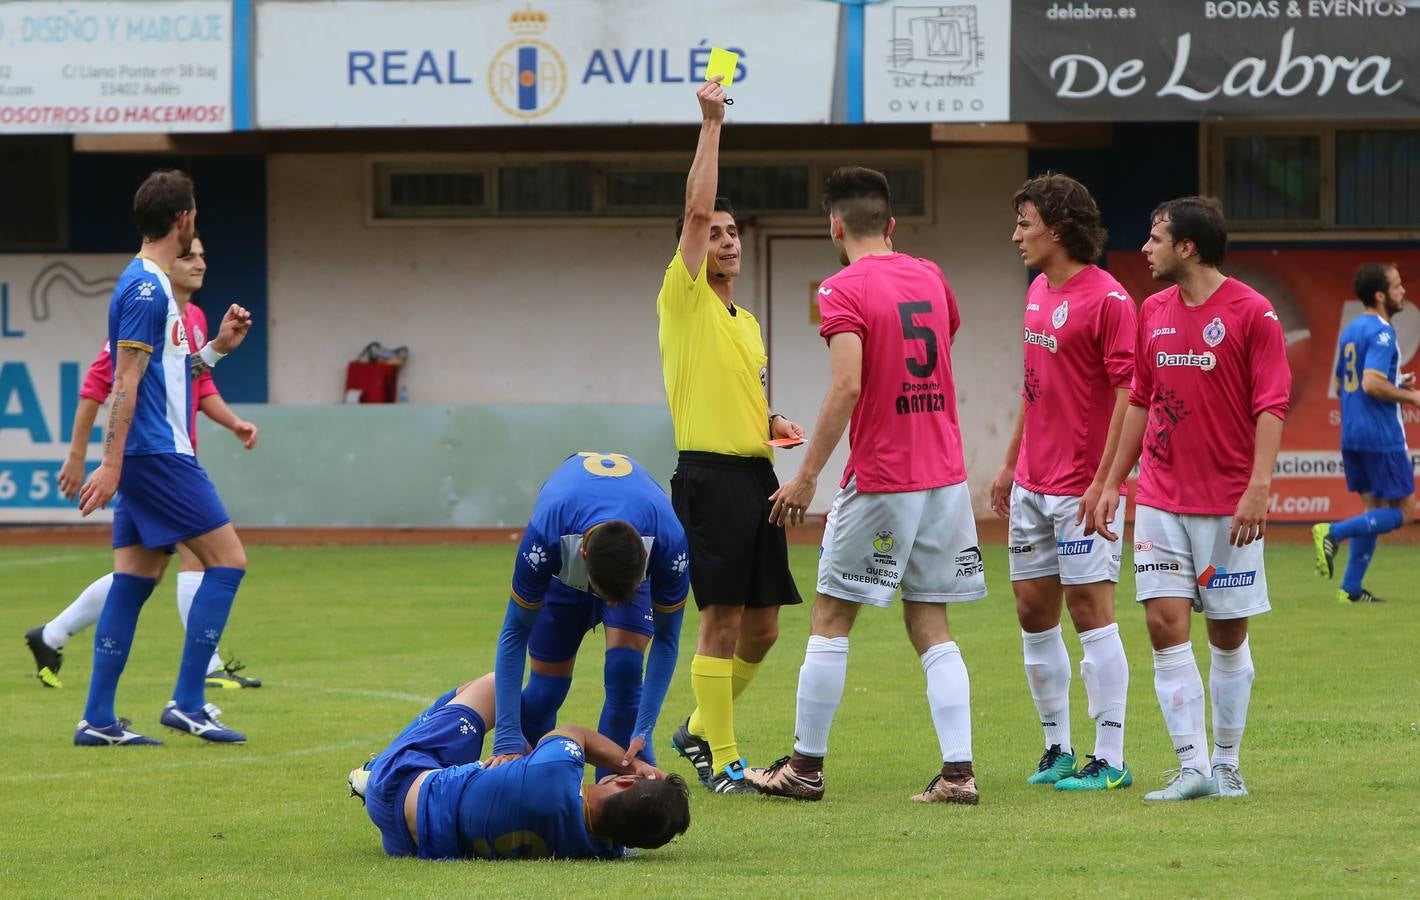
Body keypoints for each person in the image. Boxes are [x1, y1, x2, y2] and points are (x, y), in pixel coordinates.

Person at [745, 166, 987, 805]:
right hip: (945, 476)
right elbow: (943, 338)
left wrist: (806, 476)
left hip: (883, 477)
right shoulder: (930, 275)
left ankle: (804, 769)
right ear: (892, 224)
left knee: (831, 618)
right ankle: (958, 775)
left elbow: (848, 383)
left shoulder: (842, 288)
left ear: (835, 226)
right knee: (930, 621)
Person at [1092, 197, 1290, 801]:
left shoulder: (1253, 313)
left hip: (1227, 503)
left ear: (1187, 248)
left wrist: (1258, 486)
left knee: (1227, 634)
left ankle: (1227, 762)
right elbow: (1140, 400)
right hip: (1160, 496)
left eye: (1155, 239)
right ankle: (1193, 766)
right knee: (1163, 622)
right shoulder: (1152, 311)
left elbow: (1271, 404)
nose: (1145, 249)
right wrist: (1112, 481)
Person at [25, 235, 262, 691]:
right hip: (154, 458)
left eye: (203, 255)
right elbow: (106, 384)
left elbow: (188, 379)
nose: (199, 263)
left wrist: (230, 413)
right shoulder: (146, 303)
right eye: (189, 254)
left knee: (139, 574)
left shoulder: (192, 318)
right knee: (213, 558)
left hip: (168, 454)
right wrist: (82, 457)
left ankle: (61, 650)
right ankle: (197, 684)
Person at [72, 169, 256, 746]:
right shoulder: (148, 290)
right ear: (184, 219)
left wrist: (217, 350)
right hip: (157, 453)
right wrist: (111, 463)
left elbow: (169, 374)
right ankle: (189, 702)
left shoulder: (153, 286)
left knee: (136, 578)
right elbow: (124, 381)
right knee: (228, 561)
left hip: (147, 452)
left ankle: (98, 719)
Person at [658, 77, 804, 794]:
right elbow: (694, 206)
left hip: (756, 478)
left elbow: (744, 392)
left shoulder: (744, 323)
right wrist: (712, 124)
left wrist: (770, 421)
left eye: (733, 232)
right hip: (709, 478)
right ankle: (723, 758)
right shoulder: (681, 297)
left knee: (764, 629)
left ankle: (696, 728)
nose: (726, 240)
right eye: (714, 233)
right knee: (719, 622)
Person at [988, 174, 1136, 792]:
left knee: (1090, 613)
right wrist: (1010, 462)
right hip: (1032, 482)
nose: (1016, 235)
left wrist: (1107, 482)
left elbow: (1130, 395)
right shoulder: (1037, 290)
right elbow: (1034, 387)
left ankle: (1110, 757)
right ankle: (1057, 748)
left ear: (1058, 227)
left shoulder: (1110, 300)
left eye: (1025, 223)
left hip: (1082, 488)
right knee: (1032, 611)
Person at [486, 452, 689, 779]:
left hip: (623, 569)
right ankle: (529, 782)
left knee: (625, 675)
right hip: (563, 581)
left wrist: (644, 727)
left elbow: (667, 639)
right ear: (582, 554)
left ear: (645, 556)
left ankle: (612, 792)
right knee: (545, 692)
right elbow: (515, 631)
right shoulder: (547, 533)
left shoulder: (669, 540)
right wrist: (507, 735)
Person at [347, 672, 690, 860]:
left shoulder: (556, 772)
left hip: (398, 784)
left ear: (626, 783)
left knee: (498, 687)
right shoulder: (598, 849)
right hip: (412, 844)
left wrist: (633, 764)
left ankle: (375, 768)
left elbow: (578, 735)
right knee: (510, 762)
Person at [1312, 263, 1417, 604]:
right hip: (1381, 435)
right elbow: (1371, 384)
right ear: (1381, 295)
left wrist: (1396, 382)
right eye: (1397, 286)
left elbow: (1342, 385)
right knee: (1405, 512)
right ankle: (1333, 532)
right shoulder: (1383, 332)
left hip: (1352, 433)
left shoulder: (1352, 329)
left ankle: (1351, 589)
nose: (1403, 291)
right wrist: (1412, 397)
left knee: (1374, 509)